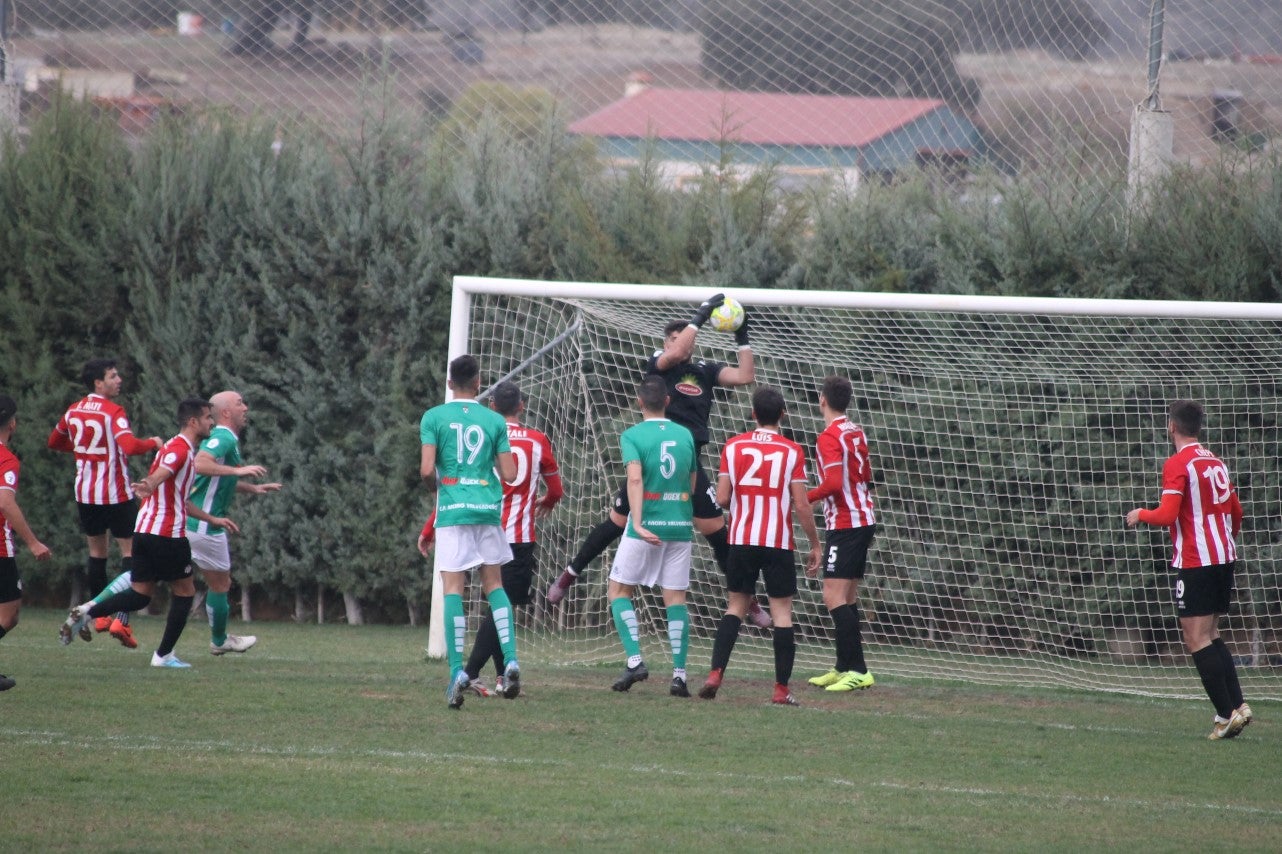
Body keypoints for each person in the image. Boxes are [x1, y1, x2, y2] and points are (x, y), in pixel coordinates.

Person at [547, 293, 771, 627]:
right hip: (653, 460)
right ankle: (570, 573)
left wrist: (742, 335)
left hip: (688, 462)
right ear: (666, 342)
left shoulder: (705, 369)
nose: (681, 344)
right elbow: (678, 351)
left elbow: (745, 376)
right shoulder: (659, 363)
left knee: (717, 531)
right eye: (674, 339)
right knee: (617, 523)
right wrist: (700, 316)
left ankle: (746, 598)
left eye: (686, 337)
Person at [61, 398, 235, 668]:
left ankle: (87, 612)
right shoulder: (180, 450)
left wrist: (212, 518)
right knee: (185, 592)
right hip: (167, 535)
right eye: (208, 418)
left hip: (143, 531)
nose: (211, 423)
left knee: (140, 594)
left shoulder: (173, 447)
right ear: (193, 422)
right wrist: (151, 482)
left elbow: (180, 497)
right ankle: (163, 656)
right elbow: (163, 474)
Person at [418, 380, 564, 698]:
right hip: (516, 535)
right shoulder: (536, 441)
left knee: (469, 593)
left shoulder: (483, 429)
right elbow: (555, 490)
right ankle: (492, 672)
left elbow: (456, 485)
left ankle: (476, 674)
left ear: (493, 405)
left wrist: (430, 528)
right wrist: (549, 502)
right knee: (500, 600)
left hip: (468, 517)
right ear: (522, 406)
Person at [1126, 400, 1252, 740]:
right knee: (1211, 635)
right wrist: (1224, 542)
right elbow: (1236, 512)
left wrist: (1141, 513)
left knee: (1195, 638)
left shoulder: (1178, 464)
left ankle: (1225, 716)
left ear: (1172, 426)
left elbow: (1167, 515)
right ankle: (1239, 706)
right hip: (1224, 555)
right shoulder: (1216, 462)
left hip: (1197, 560)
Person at [697, 387, 821, 706]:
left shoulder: (733, 446)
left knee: (736, 607)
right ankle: (781, 690)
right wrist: (816, 543)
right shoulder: (793, 451)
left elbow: (722, 499)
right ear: (783, 414)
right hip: (777, 542)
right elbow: (802, 505)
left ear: (753, 414)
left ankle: (715, 674)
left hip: (741, 538)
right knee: (781, 613)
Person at [420, 355, 520, 710]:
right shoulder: (493, 420)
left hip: (453, 511)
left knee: (453, 589)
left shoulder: (434, 417)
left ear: (450, 383)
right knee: (494, 585)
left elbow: (427, 468)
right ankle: (510, 661)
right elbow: (509, 474)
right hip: (487, 509)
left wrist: (440, 486)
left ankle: (455, 673)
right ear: (478, 383)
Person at [48, 358, 162, 646]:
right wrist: (154, 442)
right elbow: (130, 446)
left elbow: (55, 441)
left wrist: (82, 450)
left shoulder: (73, 410)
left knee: (97, 553)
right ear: (98, 383)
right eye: (113, 376)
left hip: (86, 494)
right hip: (116, 494)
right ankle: (120, 620)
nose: (119, 379)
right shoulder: (113, 412)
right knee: (131, 553)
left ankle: (99, 618)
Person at [605, 376, 698, 697]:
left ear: (639, 402)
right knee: (675, 600)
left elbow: (634, 479)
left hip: (646, 527)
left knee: (618, 590)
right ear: (668, 402)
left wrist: (641, 522)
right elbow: (692, 480)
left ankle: (635, 661)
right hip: (681, 526)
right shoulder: (685, 434)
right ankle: (680, 676)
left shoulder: (632, 435)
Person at [188, 390, 281, 656]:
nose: (246, 408)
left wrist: (253, 489)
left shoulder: (227, 438)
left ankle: (94, 608)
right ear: (226, 412)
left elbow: (218, 481)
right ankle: (219, 641)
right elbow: (200, 464)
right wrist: (238, 470)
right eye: (240, 403)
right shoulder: (224, 437)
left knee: (154, 580)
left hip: (191, 522)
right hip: (205, 526)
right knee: (220, 585)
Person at [805, 375, 880, 693]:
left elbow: (834, 484)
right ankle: (843, 666)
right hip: (862, 517)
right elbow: (866, 474)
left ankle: (860, 670)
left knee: (832, 596)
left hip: (847, 523)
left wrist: (801, 498)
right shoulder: (855, 430)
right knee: (847, 597)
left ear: (822, 400)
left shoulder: (829, 437)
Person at [0, 396, 54, 690]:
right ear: (12, 423)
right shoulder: (6, 459)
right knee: (9, 615)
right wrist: (33, 543)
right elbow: (5, 503)